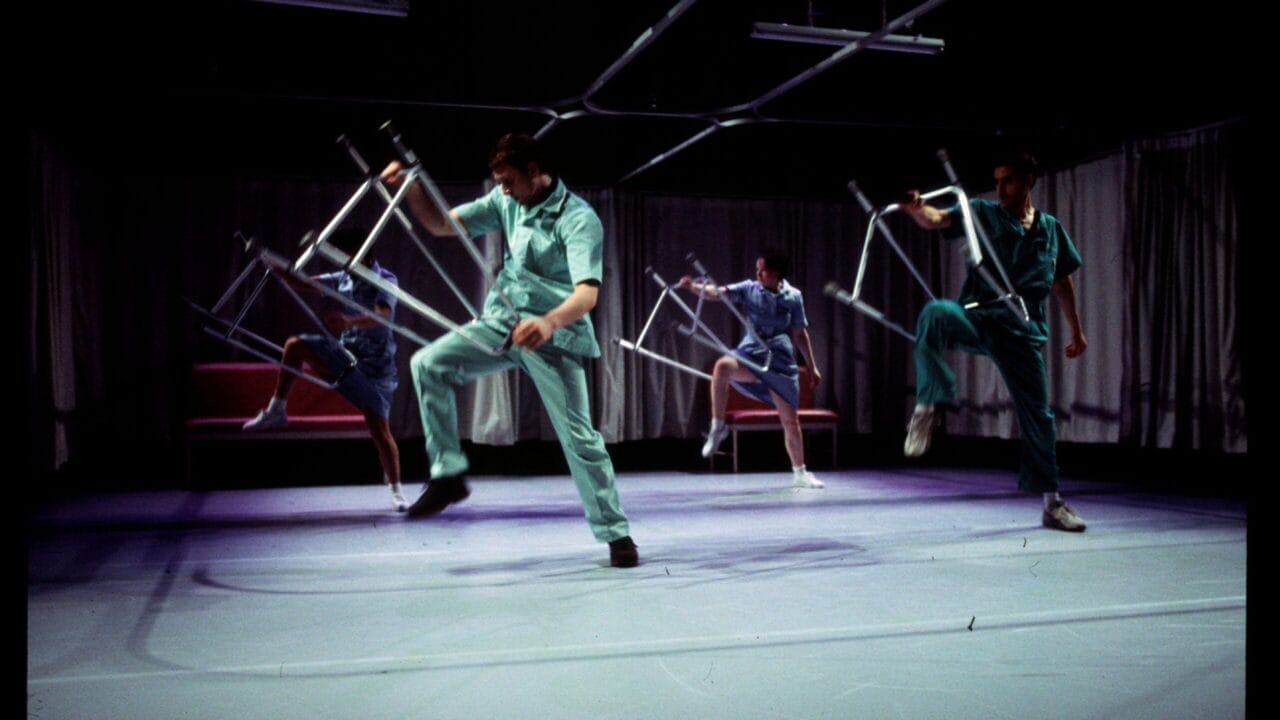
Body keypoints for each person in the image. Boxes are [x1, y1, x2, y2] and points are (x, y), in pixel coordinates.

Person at [380, 132, 638, 568]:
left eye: (508, 180)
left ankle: (617, 534)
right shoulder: (507, 203)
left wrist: (549, 321)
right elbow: (443, 224)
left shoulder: (577, 218)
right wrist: (411, 188)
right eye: (497, 181)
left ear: (534, 174)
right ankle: (448, 476)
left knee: (580, 439)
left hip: (553, 336)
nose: (501, 189)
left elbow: (587, 294)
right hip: (502, 322)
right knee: (428, 364)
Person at [898, 151, 1088, 531]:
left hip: (1022, 331)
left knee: (1039, 417)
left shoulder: (1050, 228)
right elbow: (937, 219)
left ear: (1029, 180)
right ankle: (928, 403)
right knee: (935, 313)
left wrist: (1077, 330)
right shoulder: (982, 213)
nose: (1000, 189)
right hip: (980, 316)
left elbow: (1061, 280)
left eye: (1009, 181)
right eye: (997, 181)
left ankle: (1052, 504)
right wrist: (916, 207)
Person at [242, 227, 406, 512]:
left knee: (379, 429)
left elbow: (382, 316)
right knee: (296, 346)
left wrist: (348, 321)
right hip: (346, 356)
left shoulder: (385, 279)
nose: (341, 263)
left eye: (344, 256)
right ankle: (276, 410)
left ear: (360, 254)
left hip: (376, 369)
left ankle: (395, 490)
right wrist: (267, 260)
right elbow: (302, 281)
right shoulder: (343, 278)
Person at [678, 251, 825, 489]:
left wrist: (812, 366)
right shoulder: (749, 288)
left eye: (762, 270)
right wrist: (693, 287)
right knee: (723, 366)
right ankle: (717, 428)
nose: (757, 274)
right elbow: (719, 293)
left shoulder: (793, 296)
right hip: (752, 353)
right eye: (756, 269)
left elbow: (800, 333)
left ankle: (800, 472)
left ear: (775, 274)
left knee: (790, 420)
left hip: (779, 359)